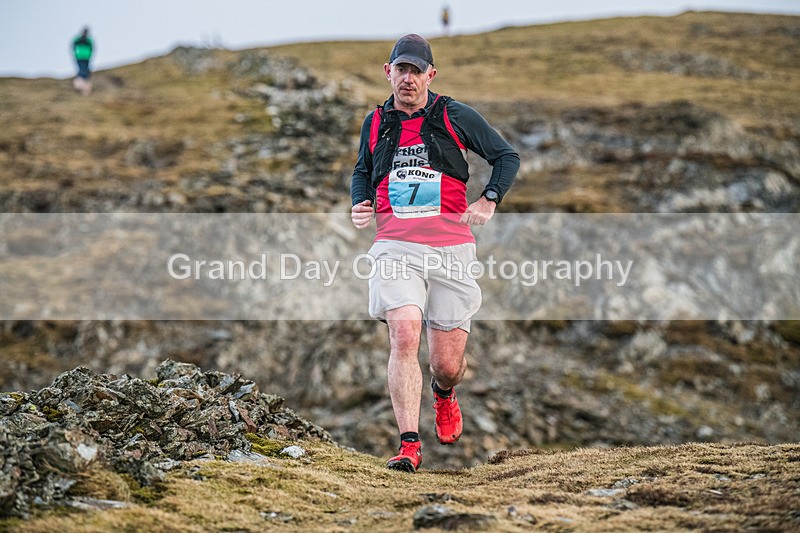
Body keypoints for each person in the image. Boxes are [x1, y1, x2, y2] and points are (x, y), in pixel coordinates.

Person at [350, 34, 519, 472]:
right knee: (404, 333)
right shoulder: (375, 122)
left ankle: (444, 394)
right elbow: (363, 171)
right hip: (395, 244)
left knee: (446, 364)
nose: (408, 78)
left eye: (416, 70)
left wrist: (489, 199)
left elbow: (506, 156)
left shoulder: (454, 114)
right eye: (400, 69)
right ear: (388, 72)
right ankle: (409, 444)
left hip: (450, 247)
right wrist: (360, 200)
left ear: (430, 75)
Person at [72, 27, 94, 95]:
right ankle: (80, 85)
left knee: (85, 70)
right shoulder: (78, 39)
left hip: (85, 57)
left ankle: (82, 86)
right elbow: (73, 46)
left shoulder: (88, 40)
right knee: (82, 70)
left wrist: (90, 55)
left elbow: (92, 48)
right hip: (80, 57)